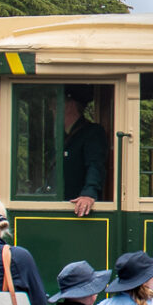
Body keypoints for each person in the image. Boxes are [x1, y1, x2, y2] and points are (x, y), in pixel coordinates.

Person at [63, 86, 107, 217]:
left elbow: (96, 164)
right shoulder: (63, 135)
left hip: (75, 206)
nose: (51, 109)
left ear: (69, 106)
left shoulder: (92, 133)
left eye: (55, 103)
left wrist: (89, 193)